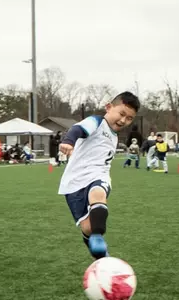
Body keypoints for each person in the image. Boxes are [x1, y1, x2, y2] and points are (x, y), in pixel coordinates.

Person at [58, 91, 140, 260]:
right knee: (87, 228)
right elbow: (78, 129)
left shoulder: (114, 135)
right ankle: (102, 256)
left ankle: (98, 236)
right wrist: (68, 140)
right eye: (122, 114)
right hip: (74, 182)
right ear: (109, 107)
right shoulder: (97, 122)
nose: (124, 120)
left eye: (129, 118)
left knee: (98, 193)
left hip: (98, 176)